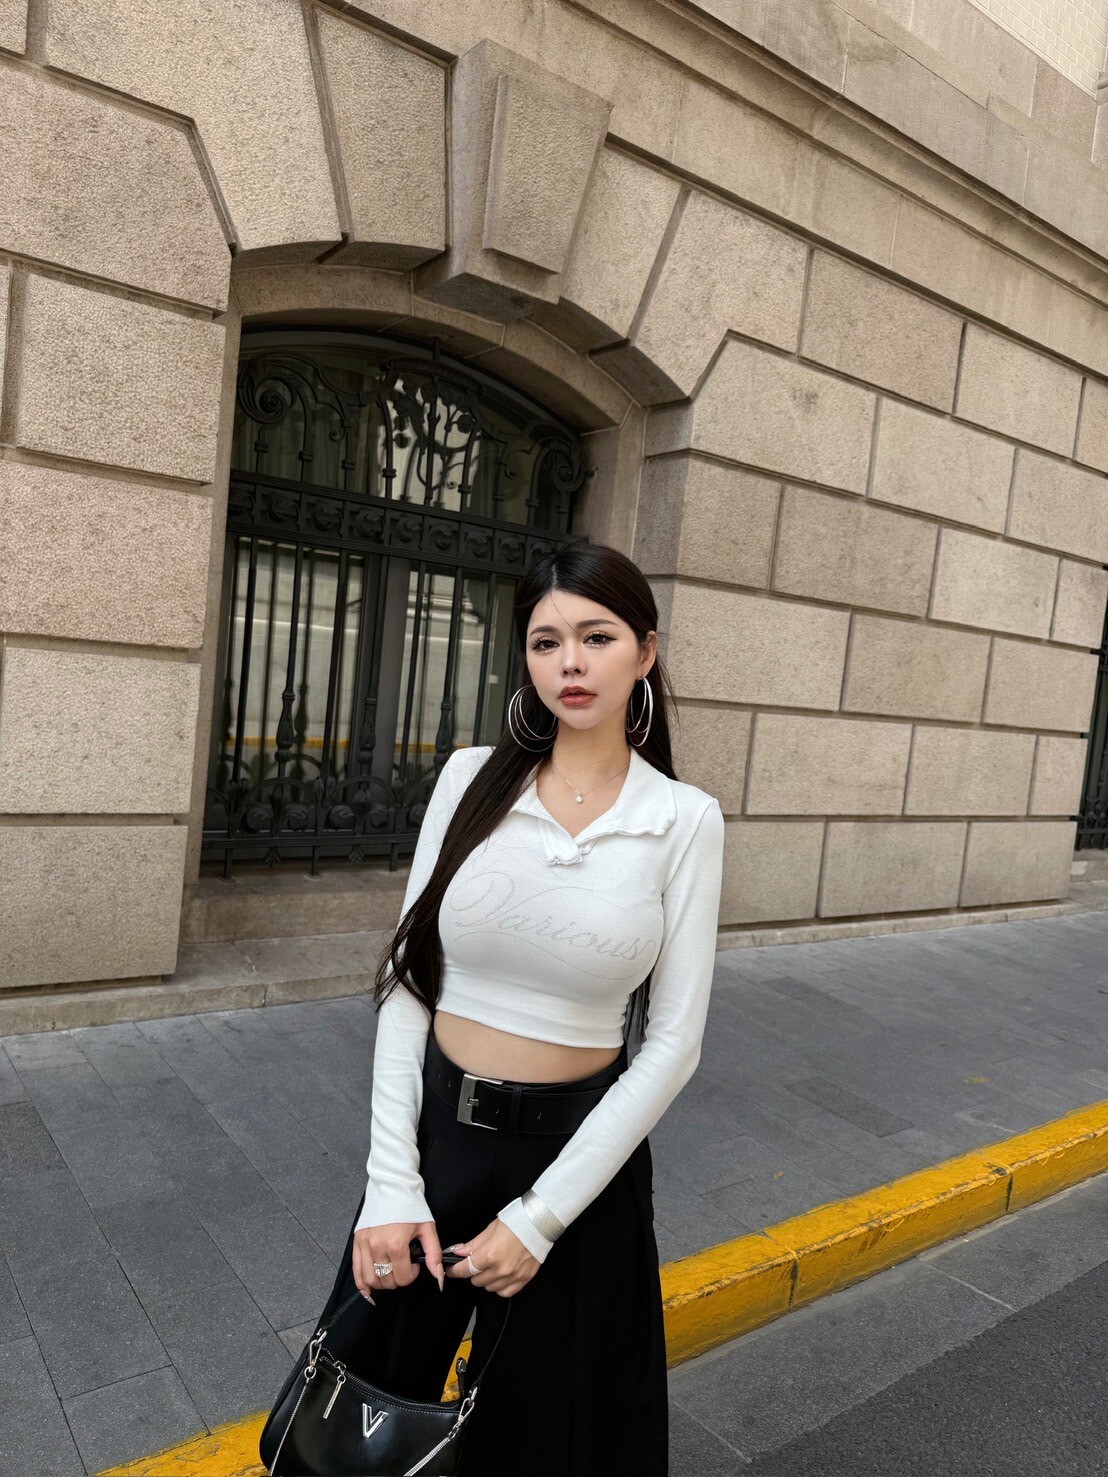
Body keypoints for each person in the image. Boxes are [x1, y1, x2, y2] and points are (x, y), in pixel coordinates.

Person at [327, 540, 724, 1476]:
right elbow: (410, 979)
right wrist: (390, 1183)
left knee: (553, 1440)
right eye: (546, 642)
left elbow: (672, 1044)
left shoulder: (683, 819)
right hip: (440, 1147)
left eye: (597, 636)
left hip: (579, 1168)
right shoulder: (471, 779)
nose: (570, 663)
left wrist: (541, 1218)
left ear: (646, 652)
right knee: (360, 1425)